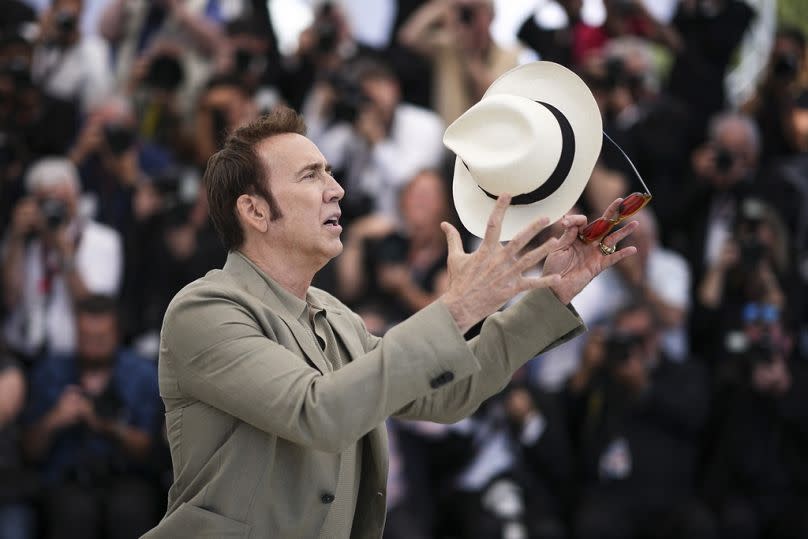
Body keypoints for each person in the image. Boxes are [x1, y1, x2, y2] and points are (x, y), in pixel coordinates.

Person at [142, 104, 640, 537]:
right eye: (309, 175)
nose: (336, 189)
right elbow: (318, 412)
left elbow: (449, 392)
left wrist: (550, 295)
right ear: (253, 210)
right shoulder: (203, 311)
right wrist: (456, 309)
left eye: (330, 172)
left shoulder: (335, 316)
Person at [21, 295, 162, 539]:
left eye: (101, 338)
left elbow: (151, 451)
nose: (92, 346)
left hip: (128, 479)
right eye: (85, 338)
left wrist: (104, 424)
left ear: (117, 335)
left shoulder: (141, 374)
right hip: (69, 481)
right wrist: (54, 419)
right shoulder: (51, 372)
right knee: (72, 513)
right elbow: (29, 452)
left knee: (130, 510)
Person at [2, 157, 123, 360]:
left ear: (76, 198)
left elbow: (94, 308)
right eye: (45, 201)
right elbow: (9, 298)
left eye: (61, 201)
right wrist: (16, 239)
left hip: (73, 357)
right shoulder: (23, 238)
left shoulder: (103, 240)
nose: (53, 209)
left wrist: (63, 250)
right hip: (21, 351)